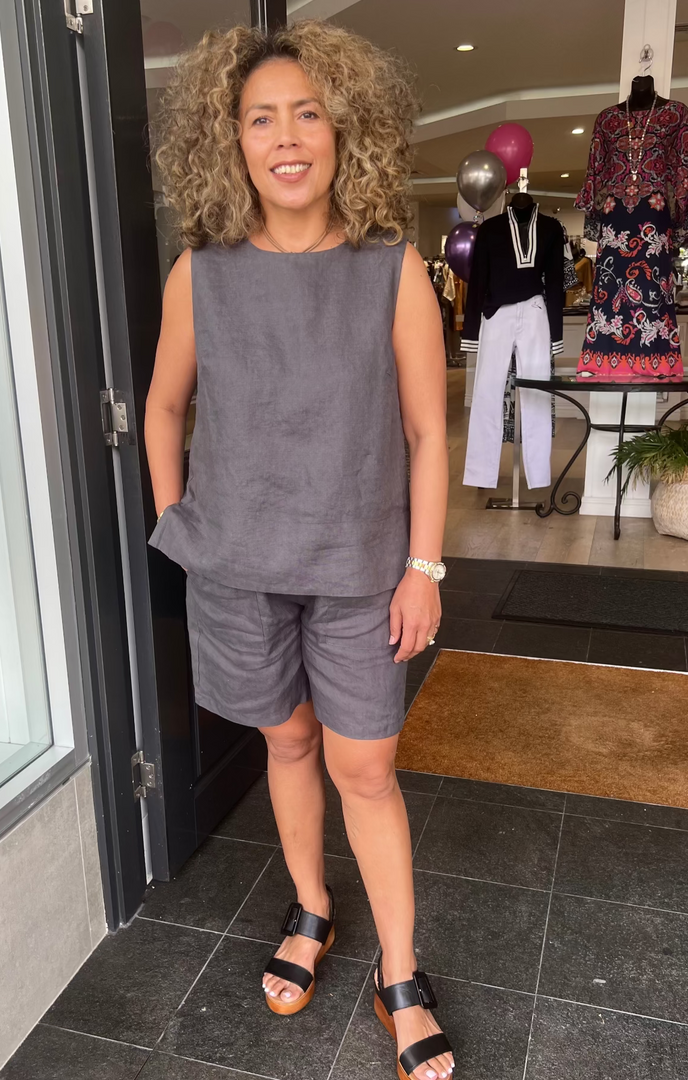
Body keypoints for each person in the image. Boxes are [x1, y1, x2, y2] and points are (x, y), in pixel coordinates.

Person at [145, 19, 452, 1080]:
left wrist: (425, 566)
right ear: (230, 141)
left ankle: (400, 974)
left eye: (306, 113)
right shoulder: (204, 271)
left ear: (341, 132)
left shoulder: (392, 269)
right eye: (260, 117)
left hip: (363, 572)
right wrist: (188, 532)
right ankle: (312, 908)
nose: (285, 137)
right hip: (240, 569)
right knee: (285, 746)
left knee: (363, 765)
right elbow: (162, 410)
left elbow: (425, 432)